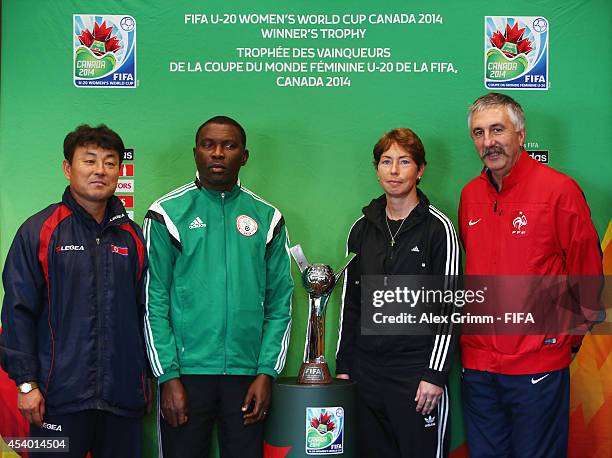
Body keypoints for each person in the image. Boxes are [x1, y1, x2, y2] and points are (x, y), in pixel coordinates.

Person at [459, 93, 603, 457]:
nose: (488, 141)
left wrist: (564, 340)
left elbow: (588, 273)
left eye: (497, 130)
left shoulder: (559, 190)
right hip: (478, 368)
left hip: (537, 365)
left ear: (521, 135)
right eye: (478, 133)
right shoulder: (469, 195)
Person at [143, 116, 293, 458]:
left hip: (247, 377)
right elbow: (153, 301)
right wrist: (167, 376)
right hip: (185, 375)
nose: (218, 153)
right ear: (195, 152)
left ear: (245, 155)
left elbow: (279, 303)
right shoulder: (166, 213)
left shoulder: (267, 217)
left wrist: (267, 372)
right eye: (208, 145)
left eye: (229, 145)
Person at [0, 124, 149, 457]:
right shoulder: (38, 231)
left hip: (122, 401)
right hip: (54, 401)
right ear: (68, 168)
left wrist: (144, 383)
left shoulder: (133, 238)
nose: (100, 170)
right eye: (90, 160)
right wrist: (26, 385)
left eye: (110, 162)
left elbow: (143, 315)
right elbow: (17, 312)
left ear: (119, 172)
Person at [336, 128, 460, 458]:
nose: (394, 171)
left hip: (416, 375)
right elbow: (351, 304)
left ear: (420, 170)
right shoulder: (361, 229)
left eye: (404, 161)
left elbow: (449, 308)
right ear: (376, 169)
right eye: (386, 161)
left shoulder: (440, 229)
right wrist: (344, 366)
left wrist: (434, 375)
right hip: (366, 374)